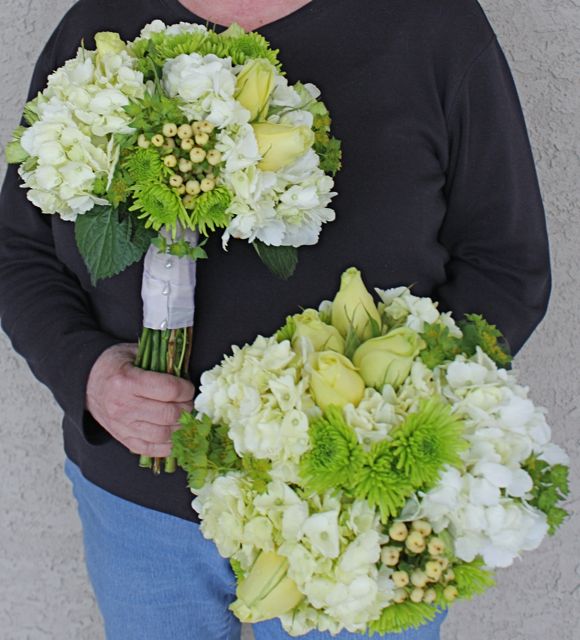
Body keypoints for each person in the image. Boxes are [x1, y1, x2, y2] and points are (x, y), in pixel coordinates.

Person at [0, 0, 551, 638]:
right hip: (143, 509)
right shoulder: (102, 23)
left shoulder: (432, 26)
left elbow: (507, 265)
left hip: (355, 516)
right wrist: (89, 378)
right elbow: (20, 250)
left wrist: (393, 428)